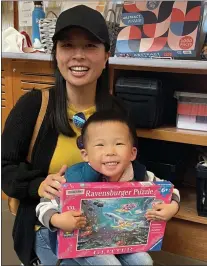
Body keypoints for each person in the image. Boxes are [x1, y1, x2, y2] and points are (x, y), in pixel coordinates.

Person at [1, 5, 124, 266]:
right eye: (67, 46)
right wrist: (38, 185)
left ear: (106, 56)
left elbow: (134, 171)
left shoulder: (117, 112)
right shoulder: (34, 106)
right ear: (55, 54)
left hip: (104, 229)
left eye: (90, 46)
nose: (78, 56)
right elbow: (4, 168)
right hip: (45, 228)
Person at [36, 110, 180, 266]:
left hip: (121, 241)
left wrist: (172, 207)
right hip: (80, 244)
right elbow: (43, 205)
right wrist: (57, 219)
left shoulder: (140, 175)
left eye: (118, 144)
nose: (110, 152)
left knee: (144, 261)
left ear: (132, 153)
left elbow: (169, 190)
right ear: (85, 154)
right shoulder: (74, 177)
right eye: (100, 145)